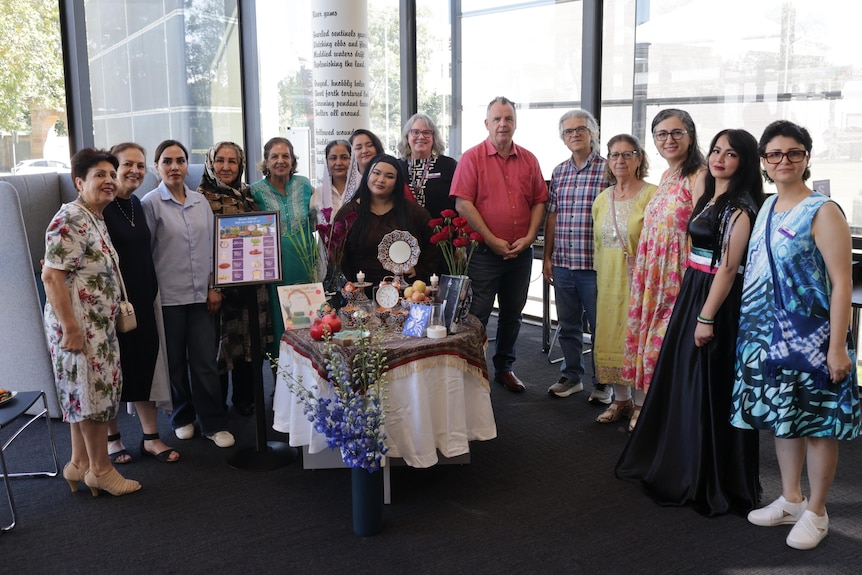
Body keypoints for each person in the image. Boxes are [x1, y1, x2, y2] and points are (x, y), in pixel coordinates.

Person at [616, 129, 764, 516]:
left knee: (706, 383)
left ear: (744, 162)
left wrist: (706, 317)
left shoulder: (740, 208)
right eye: (716, 151)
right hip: (693, 288)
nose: (719, 159)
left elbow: (729, 268)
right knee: (684, 377)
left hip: (714, 299)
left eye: (730, 154)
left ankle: (705, 476)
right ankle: (678, 462)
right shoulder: (710, 196)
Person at [730, 120, 861, 549]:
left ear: (806, 157)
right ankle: (790, 499)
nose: (783, 160)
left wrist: (837, 347)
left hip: (812, 336)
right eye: (774, 154)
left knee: (818, 424)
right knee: (785, 419)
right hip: (767, 336)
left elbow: (841, 282)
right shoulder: (767, 206)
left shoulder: (823, 210)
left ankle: (817, 511)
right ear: (764, 161)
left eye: (793, 152)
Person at [42, 148, 141, 496]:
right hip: (80, 327)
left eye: (112, 174)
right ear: (78, 182)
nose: (109, 180)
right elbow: (51, 276)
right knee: (93, 396)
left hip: (96, 325)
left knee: (83, 394)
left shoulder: (93, 217)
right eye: (100, 175)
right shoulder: (71, 217)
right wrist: (71, 329)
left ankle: (79, 462)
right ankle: (101, 470)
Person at [450, 96, 548, 393]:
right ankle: (473, 372)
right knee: (477, 315)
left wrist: (530, 237)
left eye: (508, 119)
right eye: (497, 119)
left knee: (512, 314)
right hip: (483, 253)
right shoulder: (472, 158)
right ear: (487, 123)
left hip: (521, 253)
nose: (503, 124)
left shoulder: (529, 159)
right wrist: (491, 240)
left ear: (515, 123)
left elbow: (539, 201)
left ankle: (504, 367)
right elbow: (463, 204)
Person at [141, 140, 235, 448]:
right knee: (175, 364)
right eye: (167, 161)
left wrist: (214, 287)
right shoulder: (151, 204)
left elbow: (213, 248)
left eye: (180, 161)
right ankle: (182, 416)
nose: (174, 167)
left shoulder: (199, 202)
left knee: (205, 362)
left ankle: (213, 423)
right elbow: (146, 254)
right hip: (168, 298)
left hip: (202, 296)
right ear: (157, 167)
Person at [622, 108, 706, 430]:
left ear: (690, 136)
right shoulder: (667, 175)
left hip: (677, 274)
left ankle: (670, 420)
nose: (668, 140)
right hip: (652, 273)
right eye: (661, 134)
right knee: (653, 343)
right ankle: (652, 413)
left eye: (676, 133)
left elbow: (704, 232)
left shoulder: (699, 176)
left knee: (667, 344)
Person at [103, 142, 178, 463]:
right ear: (112, 169)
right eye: (127, 164)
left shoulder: (136, 203)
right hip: (112, 305)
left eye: (140, 165)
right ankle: (113, 440)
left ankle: (150, 438)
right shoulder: (100, 206)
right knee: (113, 372)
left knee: (146, 365)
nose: (135, 171)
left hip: (144, 298)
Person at [198, 141, 271, 417]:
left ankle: (245, 399)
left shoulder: (248, 194)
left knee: (249, 343)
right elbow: (201, 247)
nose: (226, 167)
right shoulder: (199, 199)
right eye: (220, 160)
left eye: (233, 161)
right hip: (220, 290)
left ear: (241, 165)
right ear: (210, 163)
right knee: (219, 347)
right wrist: (213, 286)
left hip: (252, 284)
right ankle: (216, 407)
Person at [543, 109, 611, 404]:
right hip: (563, 263)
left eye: (580, 129)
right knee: (568, 325)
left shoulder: (609, 170)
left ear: (592, 133)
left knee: (601, 327)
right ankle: (572, 376)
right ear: (563, 138)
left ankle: (604, 382)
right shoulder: (559, 172)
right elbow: (552, 215)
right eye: (568, 131)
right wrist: (547, 256)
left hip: (596, 266)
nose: (575, 135)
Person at [591, 135, 656, 424]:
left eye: (627, 154)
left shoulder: (652, 196)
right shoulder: (602, 199)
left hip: (640, 284)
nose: (620, 160)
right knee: (610, 338)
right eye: (615, 155)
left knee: (636, 339)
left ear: (639, 159)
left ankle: (641, 405)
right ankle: (621, 400)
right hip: (608, 282)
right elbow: (598, 244)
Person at [250, 137, 316, 357]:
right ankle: (281, 375)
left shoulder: (304, 185)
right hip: (275, 269)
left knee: (307, 321)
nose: (280, 161)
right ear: (266, 161)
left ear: (292, 160)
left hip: (305, 267)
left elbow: (319, 217)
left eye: (285, 156)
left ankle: (308, 371)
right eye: (274, 156)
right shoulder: (255, 191)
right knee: (279, 322)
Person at [336, 154, 439, 287]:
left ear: (398, 182)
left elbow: (433, 249)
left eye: (389, 176)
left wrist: (419, 270)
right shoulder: (349, 213)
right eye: (376, 173)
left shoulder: (414, 212)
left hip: (405, 292)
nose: (381, 180)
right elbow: (338, 256)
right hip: (359, 292)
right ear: (367, 175)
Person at [396, 113, 458, 220]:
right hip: (404, 229)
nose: (421, 137)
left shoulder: (449, 166)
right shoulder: (396, 167)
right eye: (415, 132)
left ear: (434, 137)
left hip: (441, 229)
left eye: (426, 132)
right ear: (407, 136)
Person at [343, 129, 386, 204]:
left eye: (369, 145)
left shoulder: (389, 173)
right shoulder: (346, 181)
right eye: (358, 148)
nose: (365, 150)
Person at [311, 139, 351, 218]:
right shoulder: (319, 194)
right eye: (333, 158)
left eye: (344, 158)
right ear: (327, 162)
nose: (338, 163)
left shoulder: (360, 190)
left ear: (352, 160)